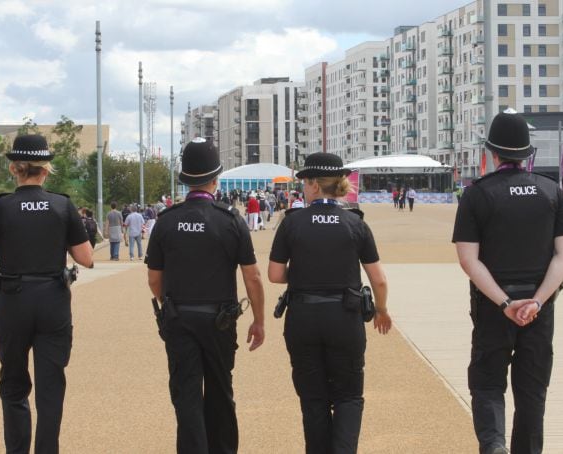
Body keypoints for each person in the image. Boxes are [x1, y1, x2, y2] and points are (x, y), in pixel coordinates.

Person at [452, 111, 563, 454]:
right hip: (539, 310)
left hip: (495, 308)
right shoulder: (552, 191)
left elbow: (468, 259)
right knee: (532, 392)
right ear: (527, 154)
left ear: (492, 153)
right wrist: (536, 300)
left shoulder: (476, 195)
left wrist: (505, 303)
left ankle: (493, 446)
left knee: (488, 385)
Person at [0, 135, 94, 454]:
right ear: (46, 170)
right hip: (53, 300)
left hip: (13, 300)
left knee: (13, 385)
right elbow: (86, 258)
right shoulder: (62, 205)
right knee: (51, 388)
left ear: (15, 169)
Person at [146, 137, 265, 454]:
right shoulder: (230, 219)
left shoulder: (166, 220)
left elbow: (154, 278)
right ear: (216, 178)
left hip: (179, 315)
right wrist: (259, 319)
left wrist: (165, 305)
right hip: (219, 320)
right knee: (220, 391)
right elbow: (251, 275)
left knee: (185, 395)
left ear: (185, 180)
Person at [268, 152, 392, 454]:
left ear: (312, 183)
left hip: (303, 317)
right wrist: (381, 310)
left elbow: (274, 274)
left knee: (313, 399)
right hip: (344, 317)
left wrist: (304, 276)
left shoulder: (292, 222)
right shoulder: (355, 222)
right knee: (349, 396)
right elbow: (379, 279)